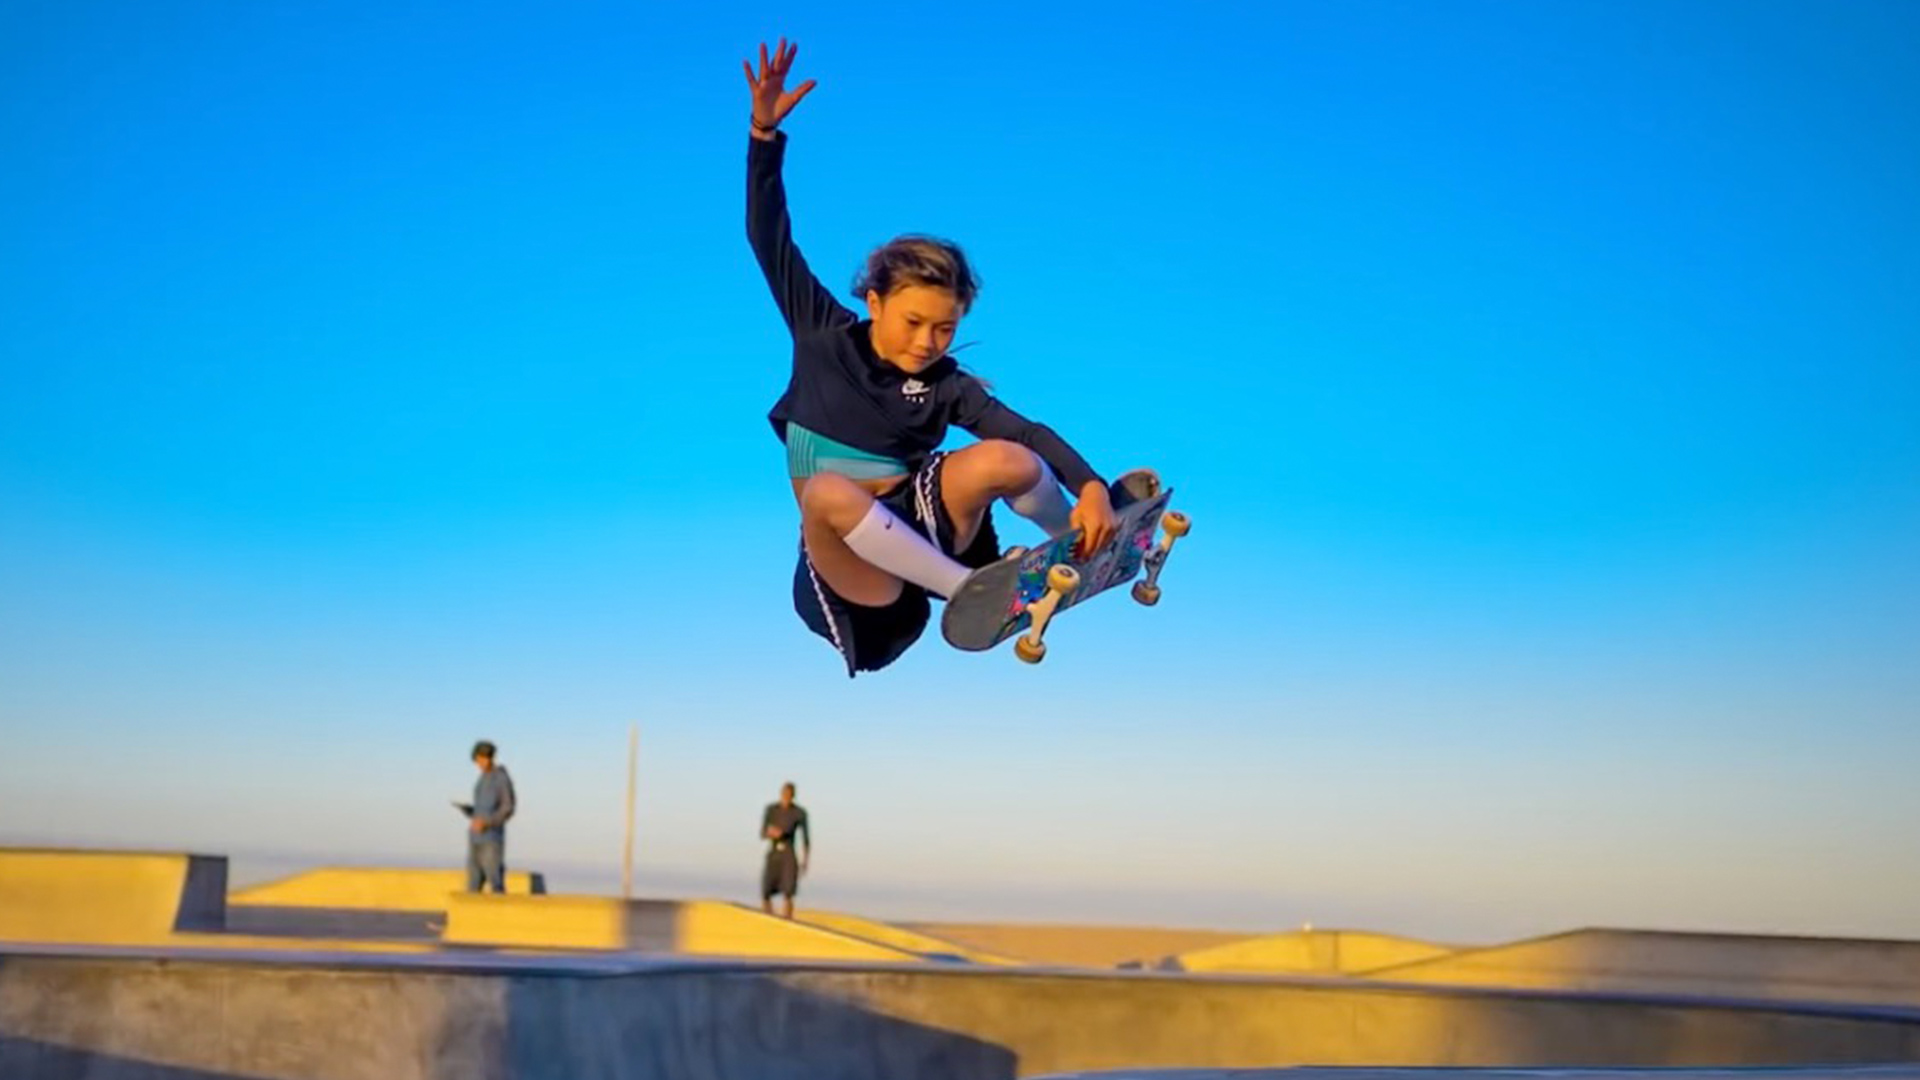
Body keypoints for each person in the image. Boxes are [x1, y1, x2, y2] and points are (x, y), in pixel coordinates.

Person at [743, 38, 1130, 677]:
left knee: (1010, 457)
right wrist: (763, 135)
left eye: (944, 329)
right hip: (859, 582)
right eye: (914, 323)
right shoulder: (822, 334)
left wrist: (1089, 486)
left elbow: (1026, 433)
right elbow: (768, 237)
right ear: (874, 302)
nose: (927, 343)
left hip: (923, 524)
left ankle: (1081, 540)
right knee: (828, 492)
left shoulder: (945, 384)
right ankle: (969, 593)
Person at [465, 740, 516, 893]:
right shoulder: (481, 779)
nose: (480, 763)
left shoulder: (500, 778)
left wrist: (487, 822)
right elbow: (484, 807)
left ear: (490, 758)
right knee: (473, 883)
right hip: (475, 837)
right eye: (478, 760)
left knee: (495, 881)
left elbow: (508, 807)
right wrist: (471, 812)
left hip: (491, 839)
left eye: (483, 759)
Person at [760, 781, 810, 919]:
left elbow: (806, 839)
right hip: (774, 851)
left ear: (793, 796)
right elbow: (762, 832)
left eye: (789, 794)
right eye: (784, 793)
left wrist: (805, 861)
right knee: (766, 890)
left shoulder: (799, 813)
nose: (786, 796)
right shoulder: (771, 810)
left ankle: (787, 919)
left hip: (789, 853)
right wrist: (772, 833)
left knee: (788, 891)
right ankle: (768, 918)